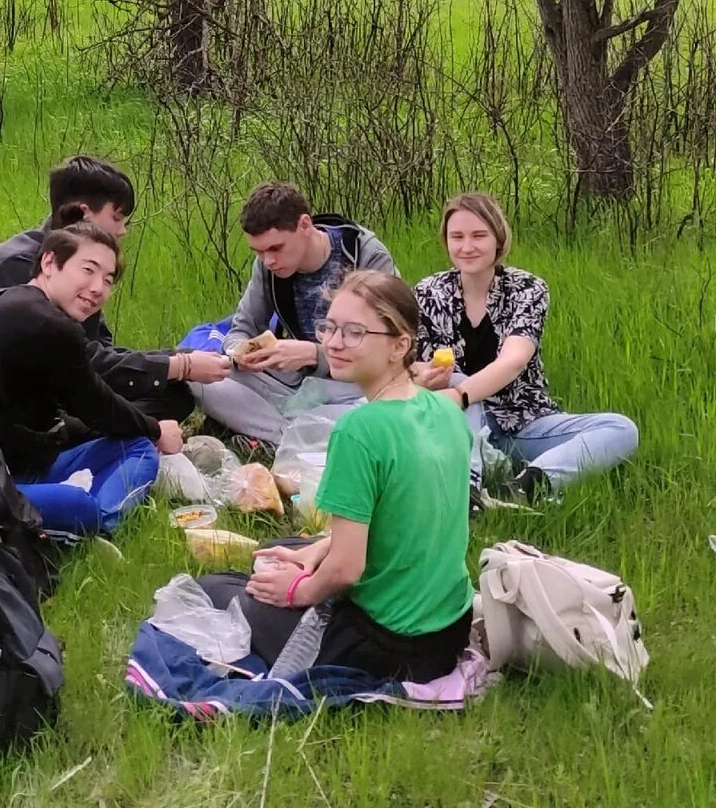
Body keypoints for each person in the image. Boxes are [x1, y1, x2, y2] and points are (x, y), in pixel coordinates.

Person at [241, 271, 475, 682]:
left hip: (389, 645)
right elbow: (409, 517)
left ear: (399, 345)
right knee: (283, 549)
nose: (332, 342)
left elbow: (347, 570)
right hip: (449, 629)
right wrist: (318, 551)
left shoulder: (358, 430)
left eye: (354, 332)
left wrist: (298, 593)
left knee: (238, 591)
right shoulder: (443, 408)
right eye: (329, 327)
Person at [0, 220, 184, 535]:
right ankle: (101, 527)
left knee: (132, 445)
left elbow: (67, 409)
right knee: (92, 493)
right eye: (88, 270)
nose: (98, 288)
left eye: (107, 280)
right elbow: (98, 406)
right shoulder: (50, 325)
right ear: (49, 262)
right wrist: (158, 429)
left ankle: (73, 515)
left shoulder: (11, 300)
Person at [0, 154, 230, 422]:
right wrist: (180, 366)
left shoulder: (78, 261)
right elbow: (79, 361)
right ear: (83, 214)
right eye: (117, 218)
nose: (122, 232)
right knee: (148, 399)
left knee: (173, 395)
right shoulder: (19, 265)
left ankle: (118, 431)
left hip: (47, 382)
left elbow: (98, 347)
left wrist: (179, 361)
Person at [413, 192, 638, 504]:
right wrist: (425, 376)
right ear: (446, 241)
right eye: (457, 237)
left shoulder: (527, 288)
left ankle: (527, 485)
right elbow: (408, 361)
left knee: (621, 429)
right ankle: (467, 491)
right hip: (457, 425)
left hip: (523, 421)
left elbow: (515, 360)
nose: (467, 247)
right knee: (454, 381)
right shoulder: (428, 292)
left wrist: (459, 394)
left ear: (498, 239)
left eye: (479, 235)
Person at [193, 181, 398, 446]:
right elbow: (241, 328)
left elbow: (388, 344)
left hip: (352, 386)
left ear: (305, 225)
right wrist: (242, 353)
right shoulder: (268, 267)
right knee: (198, 376)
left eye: (276, 248)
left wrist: (312, 354)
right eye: (259, 252)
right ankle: (293, 436)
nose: (269, 261)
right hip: (293, 384)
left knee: (383, 406)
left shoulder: (364, 254)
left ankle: (282, 434)